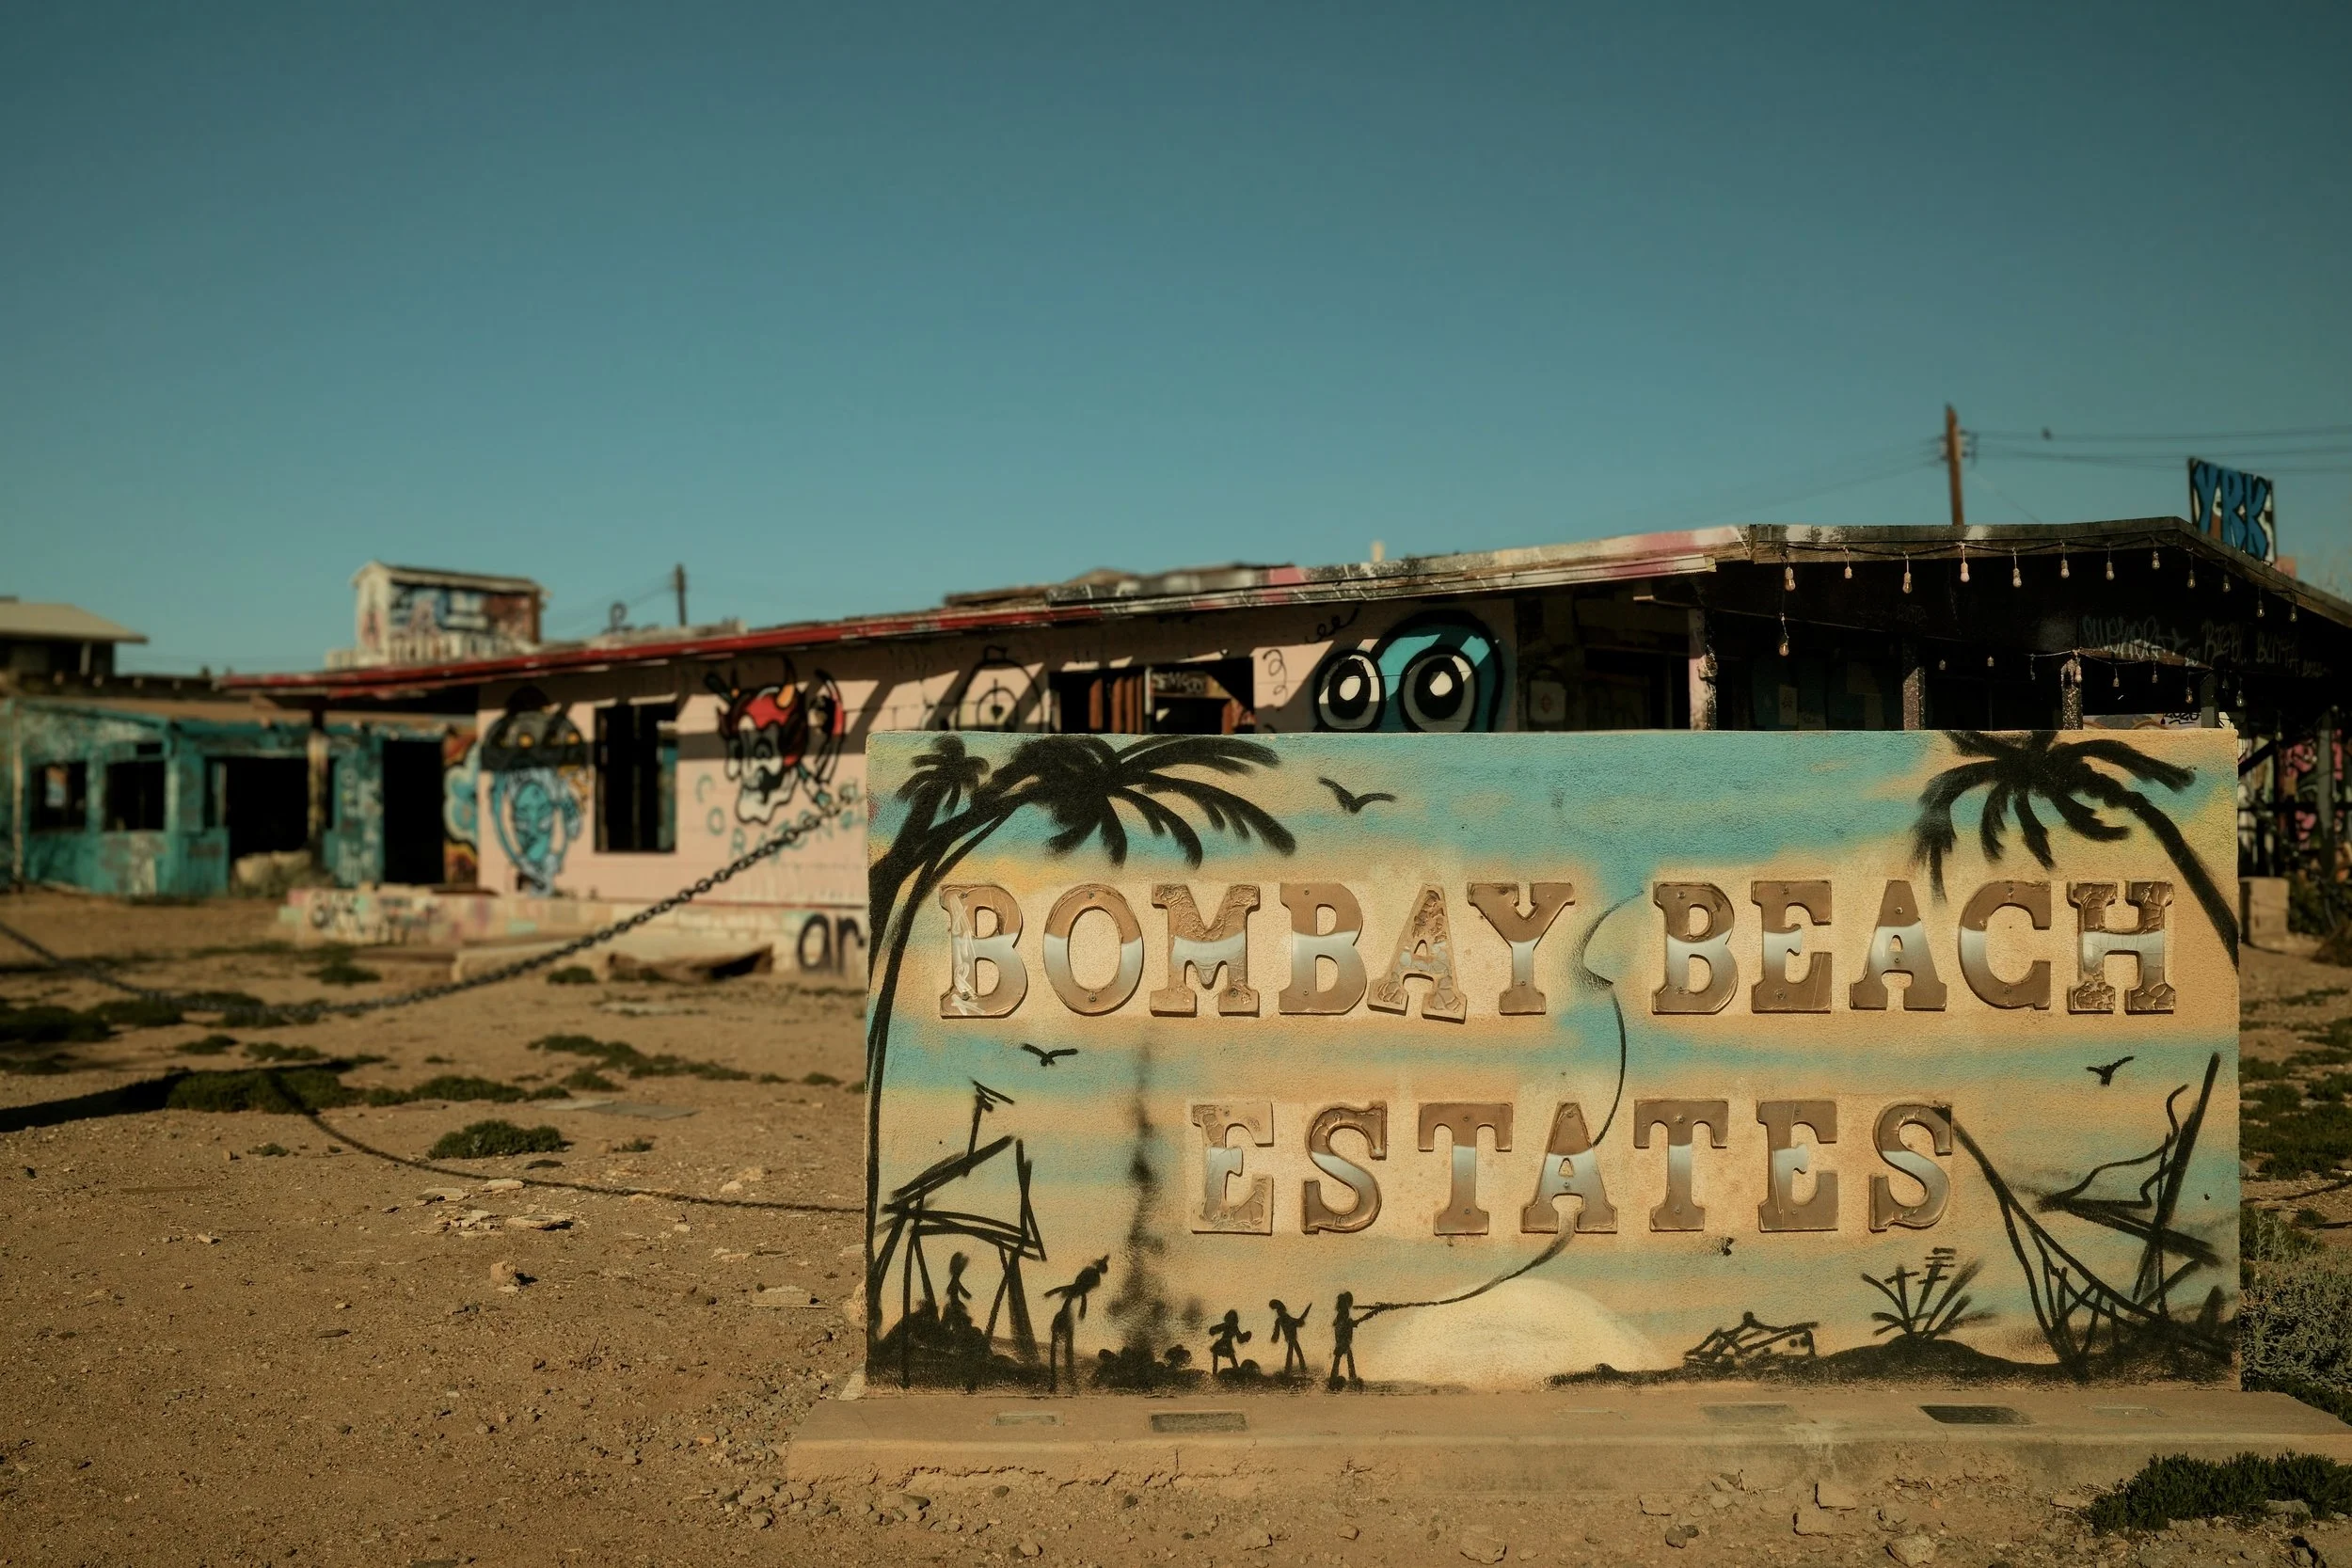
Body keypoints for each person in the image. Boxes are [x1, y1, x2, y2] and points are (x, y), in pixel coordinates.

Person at [1042, 1257, 1109, 1394]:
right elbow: (1078, 1291)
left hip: (1064, 1316)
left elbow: (1075, 1290)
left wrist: (1052, 1292)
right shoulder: (1089, 1280)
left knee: (1060, 1348)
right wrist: (1082, 1310)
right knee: (1064, 1348)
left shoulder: (1086, 1281)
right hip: (1064, 1317)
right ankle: (1061, 1382)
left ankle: (1060, 1382)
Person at [1328, 1291, 1366, 1388]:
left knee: (1342, 1357)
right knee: (1345, 1357)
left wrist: (1352, 1323)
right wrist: (1352, 1323)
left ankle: (1336, 1377)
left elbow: (1341, 1324)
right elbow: (1343, 1324)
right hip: (1343, 1338)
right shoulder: (1343, 1312)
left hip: (1342, 1338)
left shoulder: (1341, 1312)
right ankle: (1350, 1378)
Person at [1267, 1298, 1312, 1378]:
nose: (1278, 1313)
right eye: (1278, 1311)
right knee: (1296, 1355)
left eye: (1279, 1311)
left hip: (1291, 1339)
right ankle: (1297, 1371)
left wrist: (1307, 1310)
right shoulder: (1282, 1319)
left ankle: (1291, 1372)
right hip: (1291, 1339)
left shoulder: (1282, 1319)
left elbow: (1299, 1321)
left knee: (1293, 1355)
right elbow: (1299, 1321)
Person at [1208, 1309, 1251, 1376]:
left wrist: (1245, 1337)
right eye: (1231, 1318)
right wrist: (1213, 1330)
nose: (1232, 1320)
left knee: (1231, 1356)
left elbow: (1239, 1338)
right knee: (1220, 1356)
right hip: (1223, 1342)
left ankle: (1235, 1370)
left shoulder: (1234, 1327)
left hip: (1227, 1343)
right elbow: (1218, 1328)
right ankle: (1215, 1373)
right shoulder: (1228, 1325)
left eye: (1233, 1318)